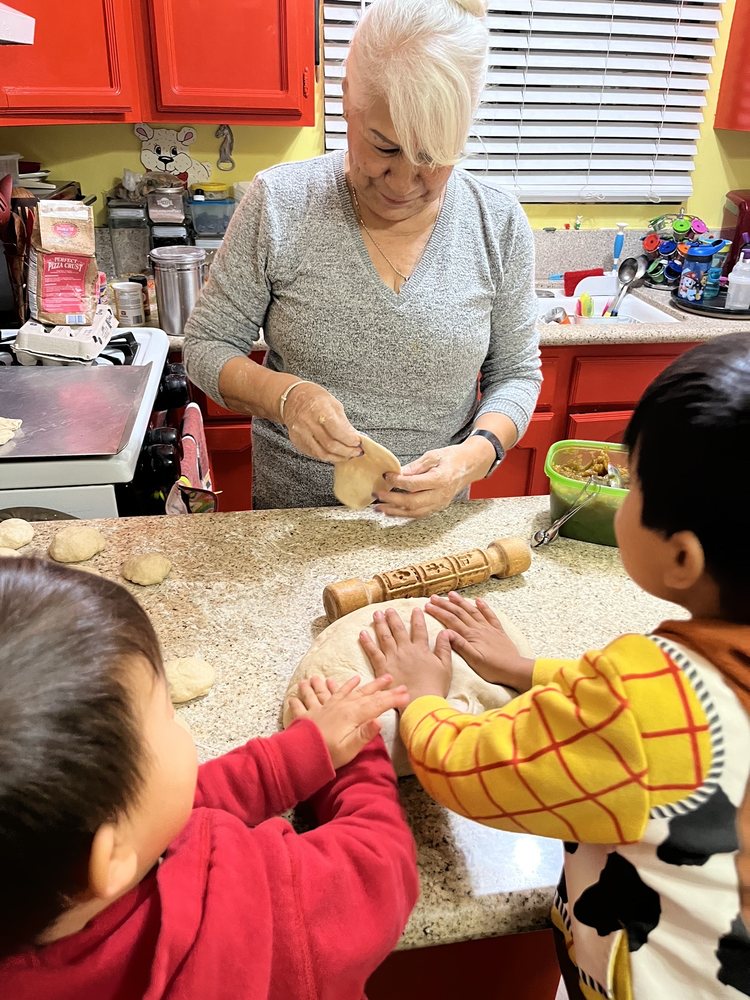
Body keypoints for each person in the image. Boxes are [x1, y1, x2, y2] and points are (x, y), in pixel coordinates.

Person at [359, 332, 750, 998]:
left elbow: (476, 771)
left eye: (631, 486)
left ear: (681, 557)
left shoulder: (639, 699)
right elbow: (652, 716)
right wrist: (528, 670)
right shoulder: (672, 688)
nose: (621, 497)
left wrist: (424, 699)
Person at [184, 0, 541, 517]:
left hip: (435, 528)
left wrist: (472, 457)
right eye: (385, 147)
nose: (403, 183)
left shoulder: (498, 222)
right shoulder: (281, 203)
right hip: (294, 527)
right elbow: (207, 346)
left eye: (432, 157)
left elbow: (516, 375)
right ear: (347, 96)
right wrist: (288, 397)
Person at [0, 558, 418, 999]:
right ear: (112, 858)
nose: (178, 724)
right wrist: (361, 761)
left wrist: (298, 757)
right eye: (166, 715)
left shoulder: (53, 863)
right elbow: (379, 865)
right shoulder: (250, 907)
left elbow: (148, 815)